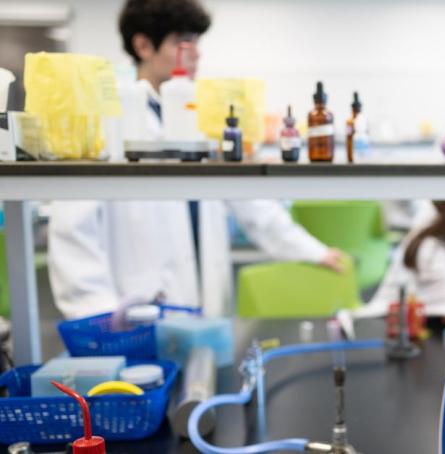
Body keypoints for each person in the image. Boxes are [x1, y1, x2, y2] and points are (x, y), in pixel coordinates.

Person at [48, 0, 344, 320]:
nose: (196, 52)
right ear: (143, 45)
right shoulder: (108, 118)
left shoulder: (205, 116)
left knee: (206, 364)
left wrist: (312, 251)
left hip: (205, 297)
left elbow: (251, 203)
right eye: (182, 41)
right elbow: (74, 226)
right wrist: (96, 310)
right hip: (135, 308)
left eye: (197, 41)